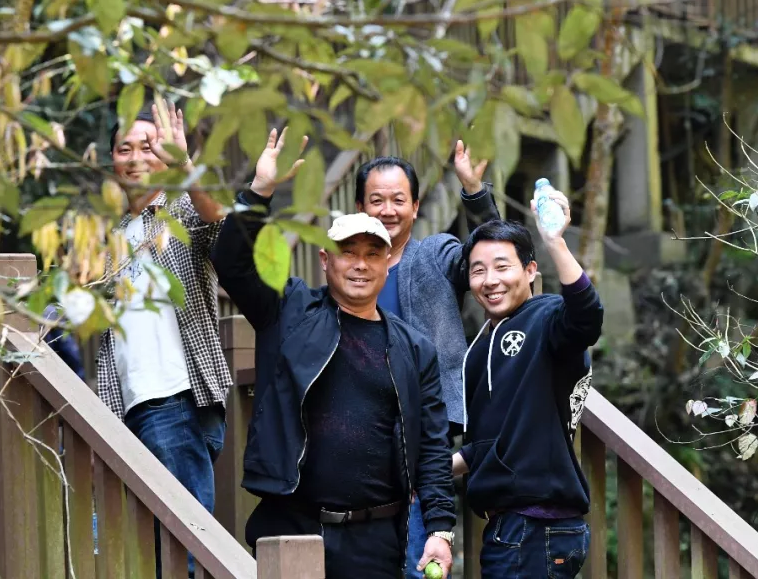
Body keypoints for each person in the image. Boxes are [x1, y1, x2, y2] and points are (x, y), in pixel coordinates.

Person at [212, 128, 456, 579]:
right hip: (294, 528)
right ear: (326, 260)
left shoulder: (413, 347)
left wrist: (440, 528)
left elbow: (433, 447)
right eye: (348, 253)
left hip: (379, 538)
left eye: (372, 254)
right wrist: (260, 190)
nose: (360, 264)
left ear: (387, 263)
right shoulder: (289, 311)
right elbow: (232, 263)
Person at [95, 100, 228, 577]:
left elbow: (220, 224)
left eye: (147, 147)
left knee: (184, 556)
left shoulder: (181, 211)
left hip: (175, 399)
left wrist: (185, 166)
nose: (135, 157)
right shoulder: (111, 237)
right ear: (111, 159)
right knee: (148, 554)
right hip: (127, 409)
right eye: (124, 148)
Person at [353, 145, 498, 575]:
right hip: (363, 435)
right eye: (376, 200)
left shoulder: (435, 254)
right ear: (360, 207)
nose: (387, 210)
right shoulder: (349, 273)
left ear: (416, 207)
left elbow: (491, 251)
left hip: (425, 434)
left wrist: (472, 189)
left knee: (419, 558)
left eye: (399, 200)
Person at [453, 188, 603, 578]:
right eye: (478, 270)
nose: (490, 280)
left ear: (530, 271)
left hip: (538, 525)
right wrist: (425, 474)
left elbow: (586, 319)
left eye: (502, 266)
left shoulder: (548, 316)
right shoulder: (479, 348)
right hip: (512, 527)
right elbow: (486, 447)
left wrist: (555, 242)